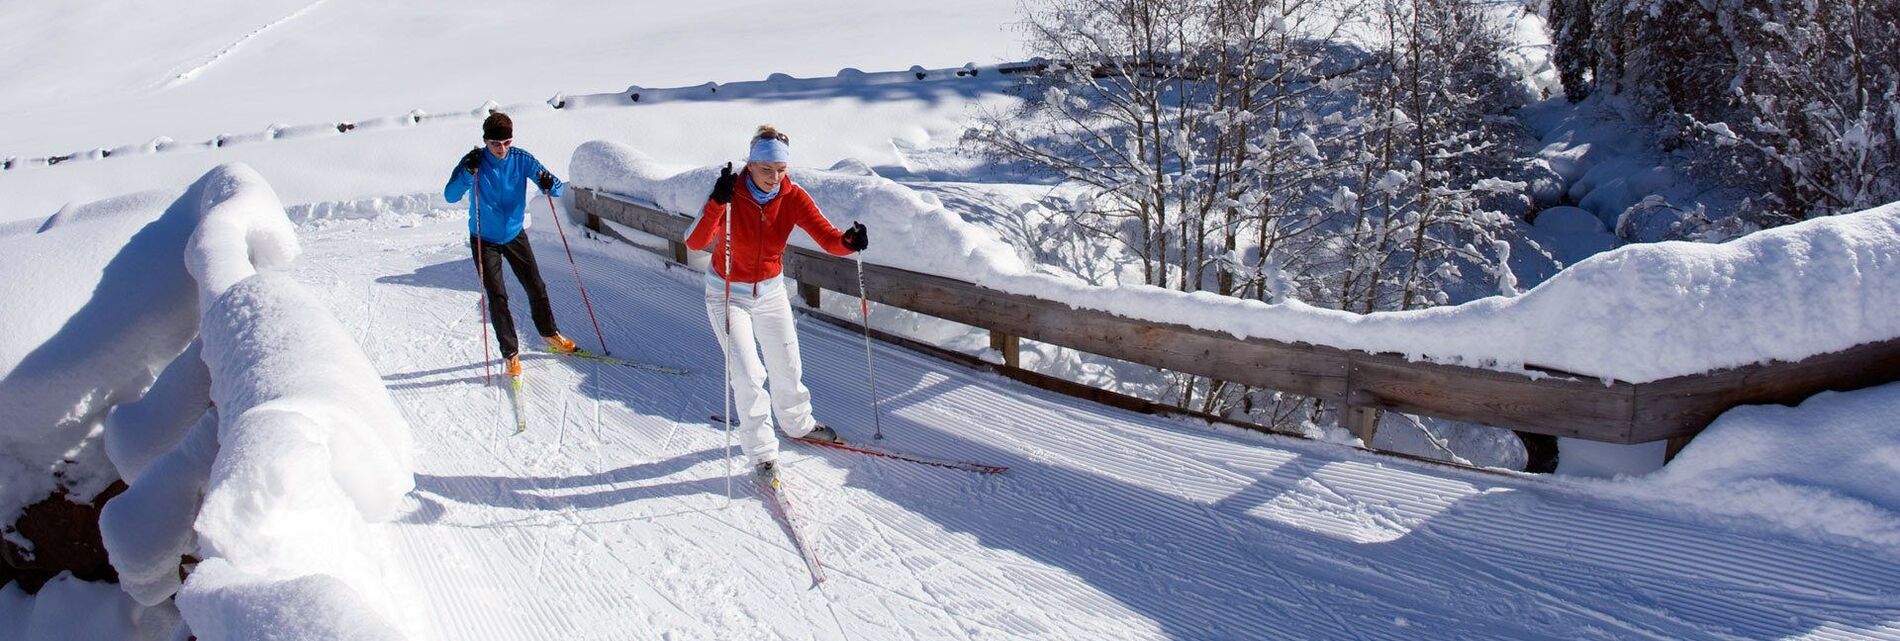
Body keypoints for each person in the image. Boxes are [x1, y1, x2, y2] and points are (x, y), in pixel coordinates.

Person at [684, 125, 869, 486]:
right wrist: (716, 204)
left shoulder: (793, 197)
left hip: (769, 293)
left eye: (781, 170)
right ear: (750, 165)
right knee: (749, 375)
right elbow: (695, 241)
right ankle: (763, 454)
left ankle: (798, 424)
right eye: (767, 170)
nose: (774, 178)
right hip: (726, 294)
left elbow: (829, 238)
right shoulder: (729, 193)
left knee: (787, 364)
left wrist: (849, 241)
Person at [443, 111, 580, 378]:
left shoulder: (521, 159)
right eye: (495, 143)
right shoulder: (474, 162)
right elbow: (450, 196)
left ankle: (549, 334)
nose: (502, 148)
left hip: (514, 234)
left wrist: (547, 183)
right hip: (484, 238)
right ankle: (510, 353)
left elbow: (557, 188)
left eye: (506, 142)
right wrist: (467, 174)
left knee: (536, 285)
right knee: (497, 296)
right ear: (485, 141)